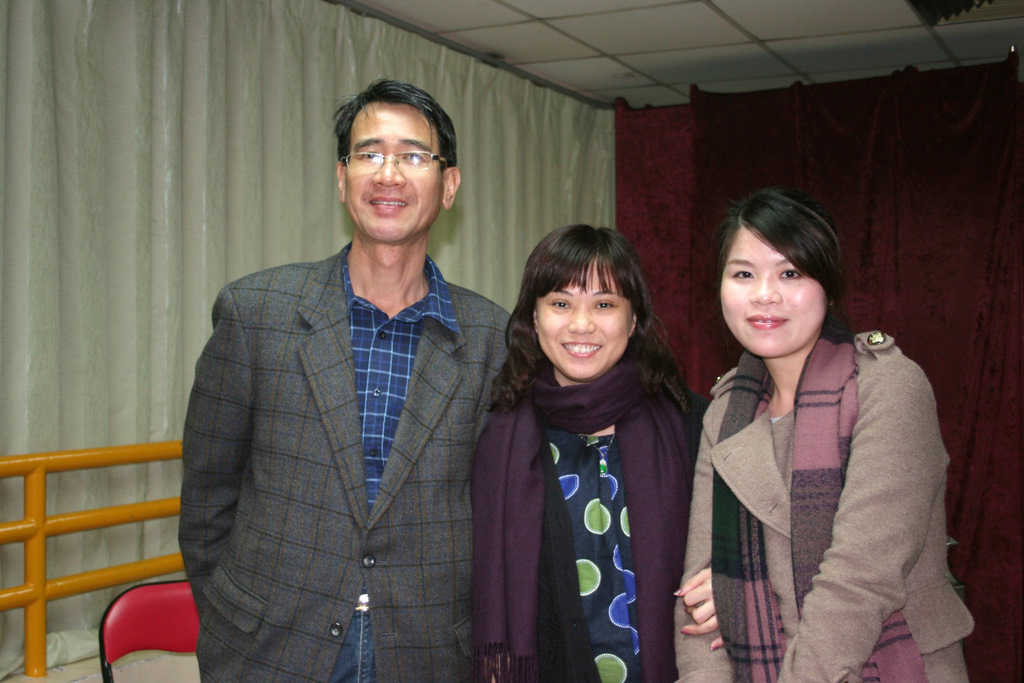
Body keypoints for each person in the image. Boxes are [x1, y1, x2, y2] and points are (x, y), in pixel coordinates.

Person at [178, 79, 508, 682]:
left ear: (449, 185)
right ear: (341, 178)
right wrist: (229, 611)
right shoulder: (256, 313)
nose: (388, 174)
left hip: (427, 650)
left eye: (414, 156)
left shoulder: (493, 337)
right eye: (368, 154)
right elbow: (207, 494)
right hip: (269, 646)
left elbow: (505, 503)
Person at [674, 188, 974, 682]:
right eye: (743, 274)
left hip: (890, 665)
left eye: (790, 273)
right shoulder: (726, 411)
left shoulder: (889, 387)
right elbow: (696, 601)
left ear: (830, 288)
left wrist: (742, 592)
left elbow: (860, 580)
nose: (764, 294)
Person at [471, 224, 712, 682]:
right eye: (561, 304)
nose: (581, 325)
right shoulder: (495, 436)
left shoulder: (693, 424)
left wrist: (731, 585)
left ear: (633, 319)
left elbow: (749, 547)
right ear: (534, 317)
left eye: (604, 304)